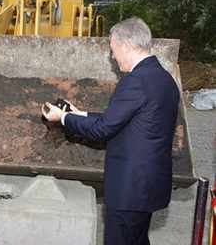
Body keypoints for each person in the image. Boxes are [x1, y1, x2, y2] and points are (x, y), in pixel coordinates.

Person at [41, 17, 180, 245]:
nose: (113, 57)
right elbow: (123, 120)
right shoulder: (164, 79)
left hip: (129, 189)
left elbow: (105, 128)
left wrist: (63, 117)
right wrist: (80, 114)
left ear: (126, 46)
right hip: (148, 185)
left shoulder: (135, 81)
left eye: (113, 50)